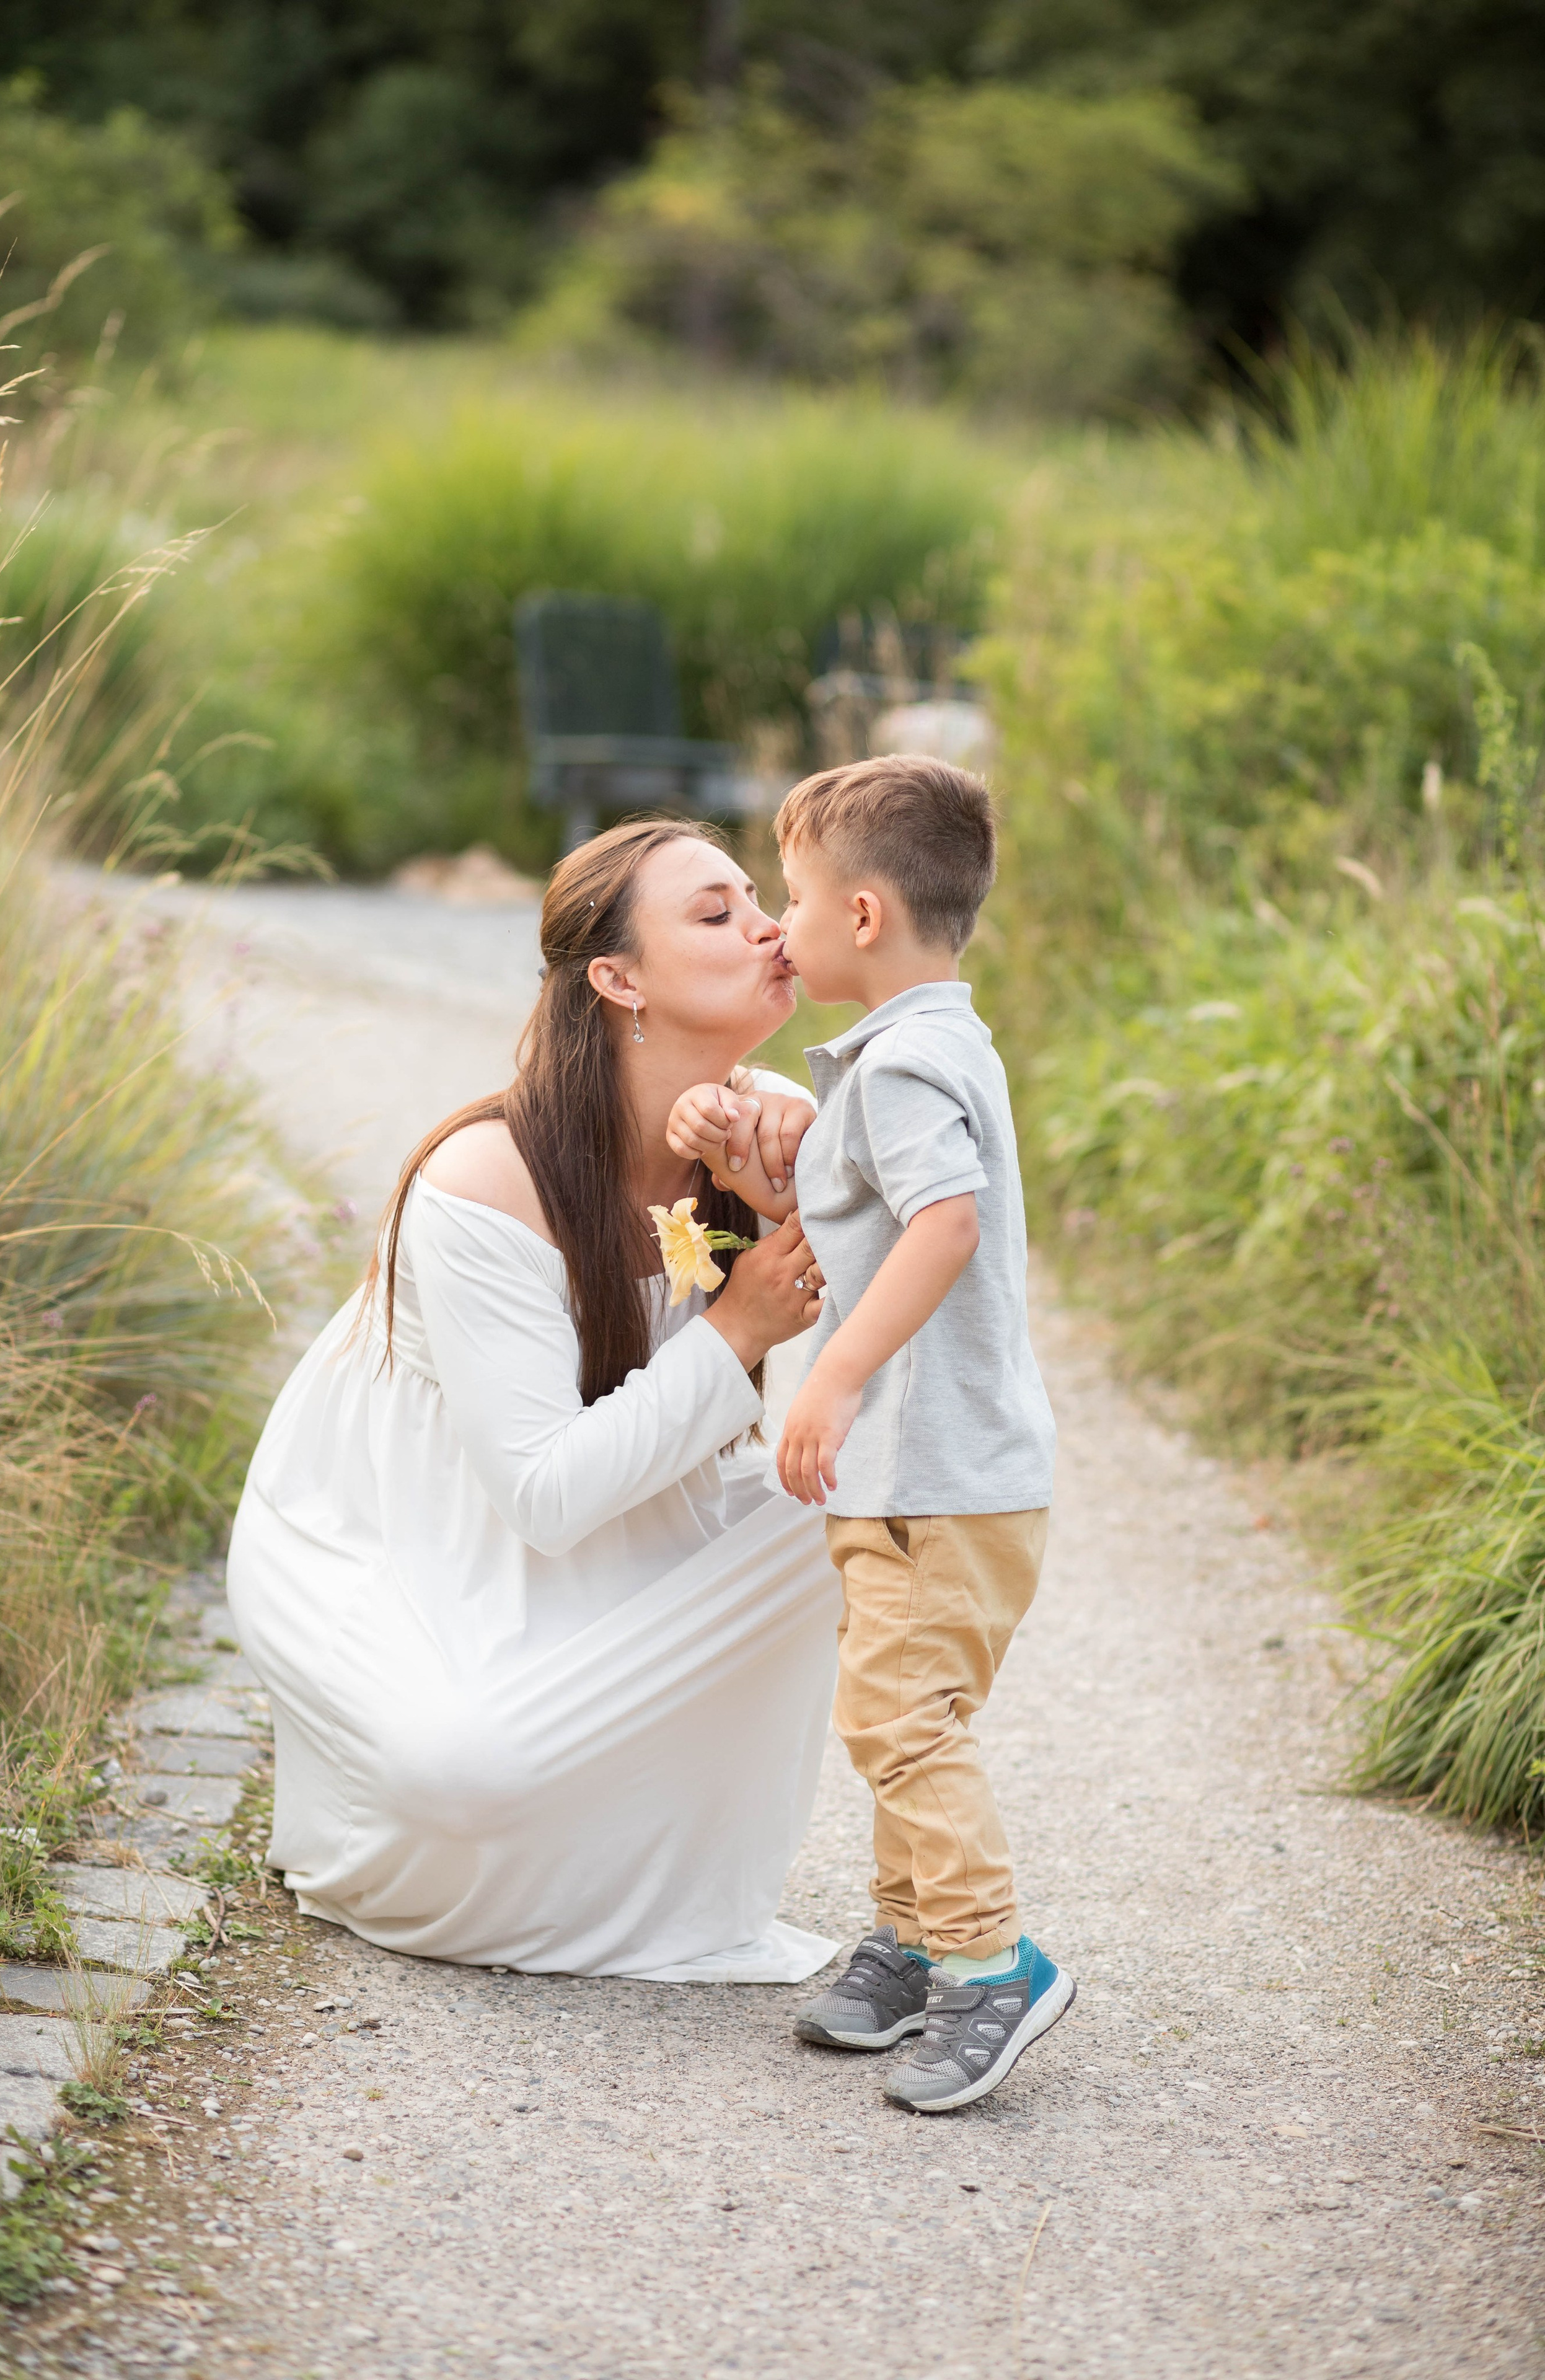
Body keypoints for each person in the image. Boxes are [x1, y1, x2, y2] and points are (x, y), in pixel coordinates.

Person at [226, 820, 843, 1983]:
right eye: (714, 914)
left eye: (759, 900)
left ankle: (923, 1897)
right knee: (460, 1779)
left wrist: (804, 1209)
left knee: (866, 1491)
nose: (767, 927)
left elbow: (870, 1372)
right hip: (423, 1549)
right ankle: (529, 1813)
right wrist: (739, 1326)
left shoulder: (757, 1127)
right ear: (618, 980)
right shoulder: (484, 1180)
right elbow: (546, 1499)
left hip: (635, 1528)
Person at [666, 754, 1072, 2110]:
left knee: (902, 1722)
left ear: (861, 918)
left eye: (788, 897)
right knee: (901, 1711)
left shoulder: (898, 1067)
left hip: (931, 1473)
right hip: (945, 1477)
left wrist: (830, 1378)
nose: (772, 926)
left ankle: (988, 1965)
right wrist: (746, 1173)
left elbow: (941, 1225)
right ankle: (904, 1939)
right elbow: (873, 1219)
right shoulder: (933, 1043)